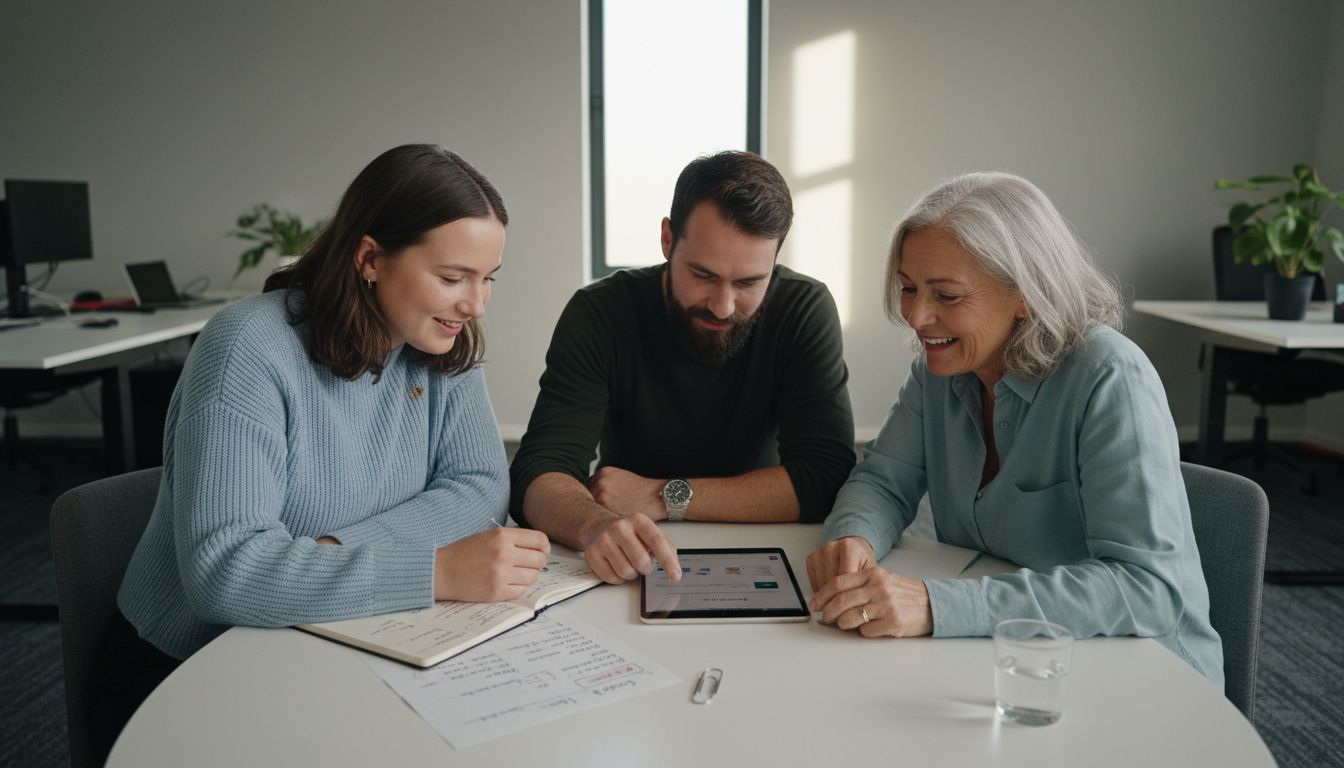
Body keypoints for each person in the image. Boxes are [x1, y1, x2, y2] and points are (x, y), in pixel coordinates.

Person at [96, 145, 550, 760]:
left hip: (344, 635)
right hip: (196, 668)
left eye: (487, 278)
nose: (476, 304)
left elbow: (478, 488)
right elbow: (226, 574)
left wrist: (325, 554)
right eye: (453, 277)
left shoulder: (442, 340)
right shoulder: (248, 349)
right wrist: (436, 568)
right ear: (370, 259)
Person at [806, 172, 1224, 687]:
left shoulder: (1110, 376)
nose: (916, 316)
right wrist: (855, 537)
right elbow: (882, 481)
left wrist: (937, 605)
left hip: (1142, 675)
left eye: (947, 296)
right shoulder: (940, 368)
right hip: (1014, 659)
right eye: (909, 289)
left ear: (1026, 294)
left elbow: (1146, 589)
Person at [510, 151, 855, 584]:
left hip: (764, 543)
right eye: (703, 274)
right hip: (630, 551)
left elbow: (826, 477)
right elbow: (538, 472)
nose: (723, 306)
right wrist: (593, 524)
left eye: (749, 282)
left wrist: (665, 495)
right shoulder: (599, 313)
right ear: (668, 239)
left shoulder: (803, 308)